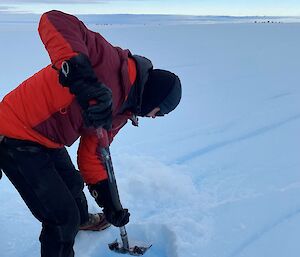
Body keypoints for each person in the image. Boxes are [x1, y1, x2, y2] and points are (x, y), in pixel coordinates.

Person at [0, 10, 182, 257]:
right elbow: (54, 19)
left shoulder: (122, 111)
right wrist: (81, 76)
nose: (152, 117)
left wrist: (110, 203)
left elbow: (93, 155)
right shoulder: (109, 61)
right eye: (157, 112)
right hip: (13, 133)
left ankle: (82, 220)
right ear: (154, 96)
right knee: (61, 217)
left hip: (47, 139)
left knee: (74, 184)